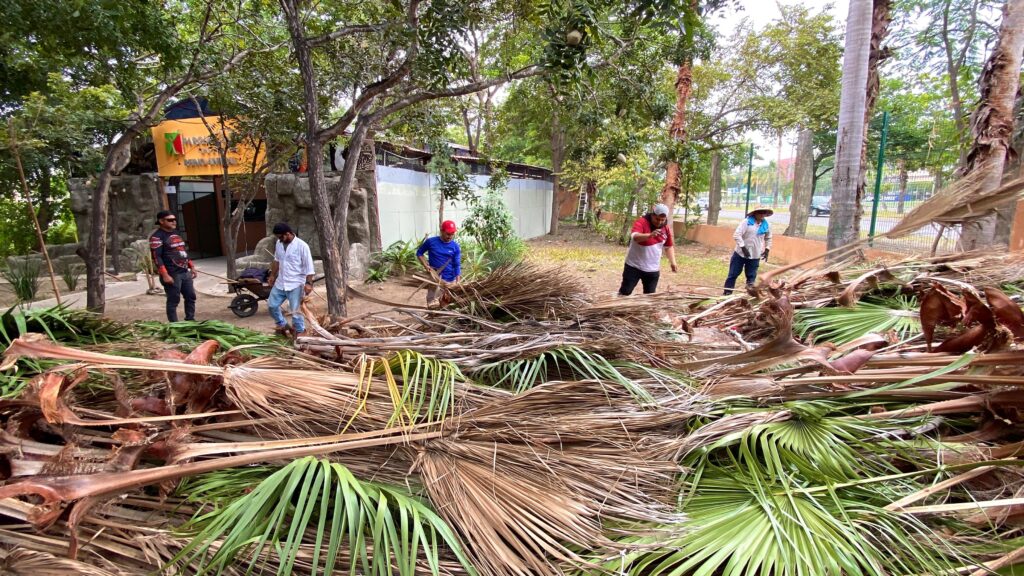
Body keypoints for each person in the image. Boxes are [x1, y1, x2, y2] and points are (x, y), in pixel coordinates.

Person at [618, 203, 678, 296]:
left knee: (649, 296)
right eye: (657, 219)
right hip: (634, 266)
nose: (659, 222)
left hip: (652, 269)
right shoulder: (641, 222)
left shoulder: (665, 228)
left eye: (663, 220)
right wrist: (649, 235)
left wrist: (673, 262)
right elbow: (635, 237)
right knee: (625, 292)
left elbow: (668, 246)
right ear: (652, 215)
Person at [267, 223, 315, 337]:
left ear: (288, 234)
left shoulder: (302, 246)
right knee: (272, 305)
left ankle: (300, 331)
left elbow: (309, 267)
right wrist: (272, 275)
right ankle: (282, 324)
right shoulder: (279, 244)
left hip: (296, 283)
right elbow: (276, 261)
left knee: (295, 311)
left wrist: (309, 283)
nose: (279, 239)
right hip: (281, 282)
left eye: (281, 237)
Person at [149, 210, 197, 322]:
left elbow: (182, 251)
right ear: (161, 221)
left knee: (191, 296)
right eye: (170, 220)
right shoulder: (157, 237)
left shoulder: (176, 233)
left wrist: (192, 266)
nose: (174, 222)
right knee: (173, 300)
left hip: (184, 272)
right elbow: (157, 257)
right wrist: (165, 275)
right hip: (172, 273)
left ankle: (190, 320)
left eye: (174, 219)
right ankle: (174, 325)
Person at [723, 205, 774, 295]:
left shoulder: (767, 225)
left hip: (755, 255)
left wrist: (767, 249)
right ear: (755, 213)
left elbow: (768, 238)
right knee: (732, 275)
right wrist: (743, 247)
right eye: (760, 212)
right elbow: (737, 235)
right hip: (740, 254)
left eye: (764, 212)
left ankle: (749, 296)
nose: (762, 214)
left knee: (751, 278)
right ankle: (727, 293)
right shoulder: (746, 222)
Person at [417, 220, 461, 305]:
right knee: (432, 304)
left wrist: (458, 282)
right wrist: (426, 265)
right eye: (448, 234)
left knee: (447, 305)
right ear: (441, 231)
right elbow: (419, 253)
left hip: (449, 281)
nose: (450, 236)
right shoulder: (431, 242)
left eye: (452, 234)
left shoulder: (455, 247)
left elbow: (457, 265)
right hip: (435, 279)